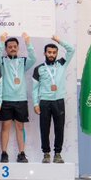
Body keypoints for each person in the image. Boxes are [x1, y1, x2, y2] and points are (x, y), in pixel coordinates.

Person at [0, 32, 36, 163]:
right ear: (6, 49)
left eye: (14, 47)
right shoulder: (2, 61)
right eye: (9, 47)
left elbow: (33, 58)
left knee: (20, 127)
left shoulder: (23, 61)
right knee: (5, 127)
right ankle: (4, 153)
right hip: (6, 99)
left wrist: (28, 43)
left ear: (18, 48)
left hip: (21, 100)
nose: (12, 48)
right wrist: (1, 42)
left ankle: (21, 153)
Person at [32, 35, 75, 163]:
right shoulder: (39, 69)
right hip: (44, 102)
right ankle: (46, 153)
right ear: (45, 53)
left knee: (59, 128)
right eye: (49, 52)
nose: (51, 54)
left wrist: (58, 40)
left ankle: (57, 154)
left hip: (59, 101)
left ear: (56, 54)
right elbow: (35, 88)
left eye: (54, 52)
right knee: (44, 129)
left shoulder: (62, 63)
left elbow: (71, 49)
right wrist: (35, 104)